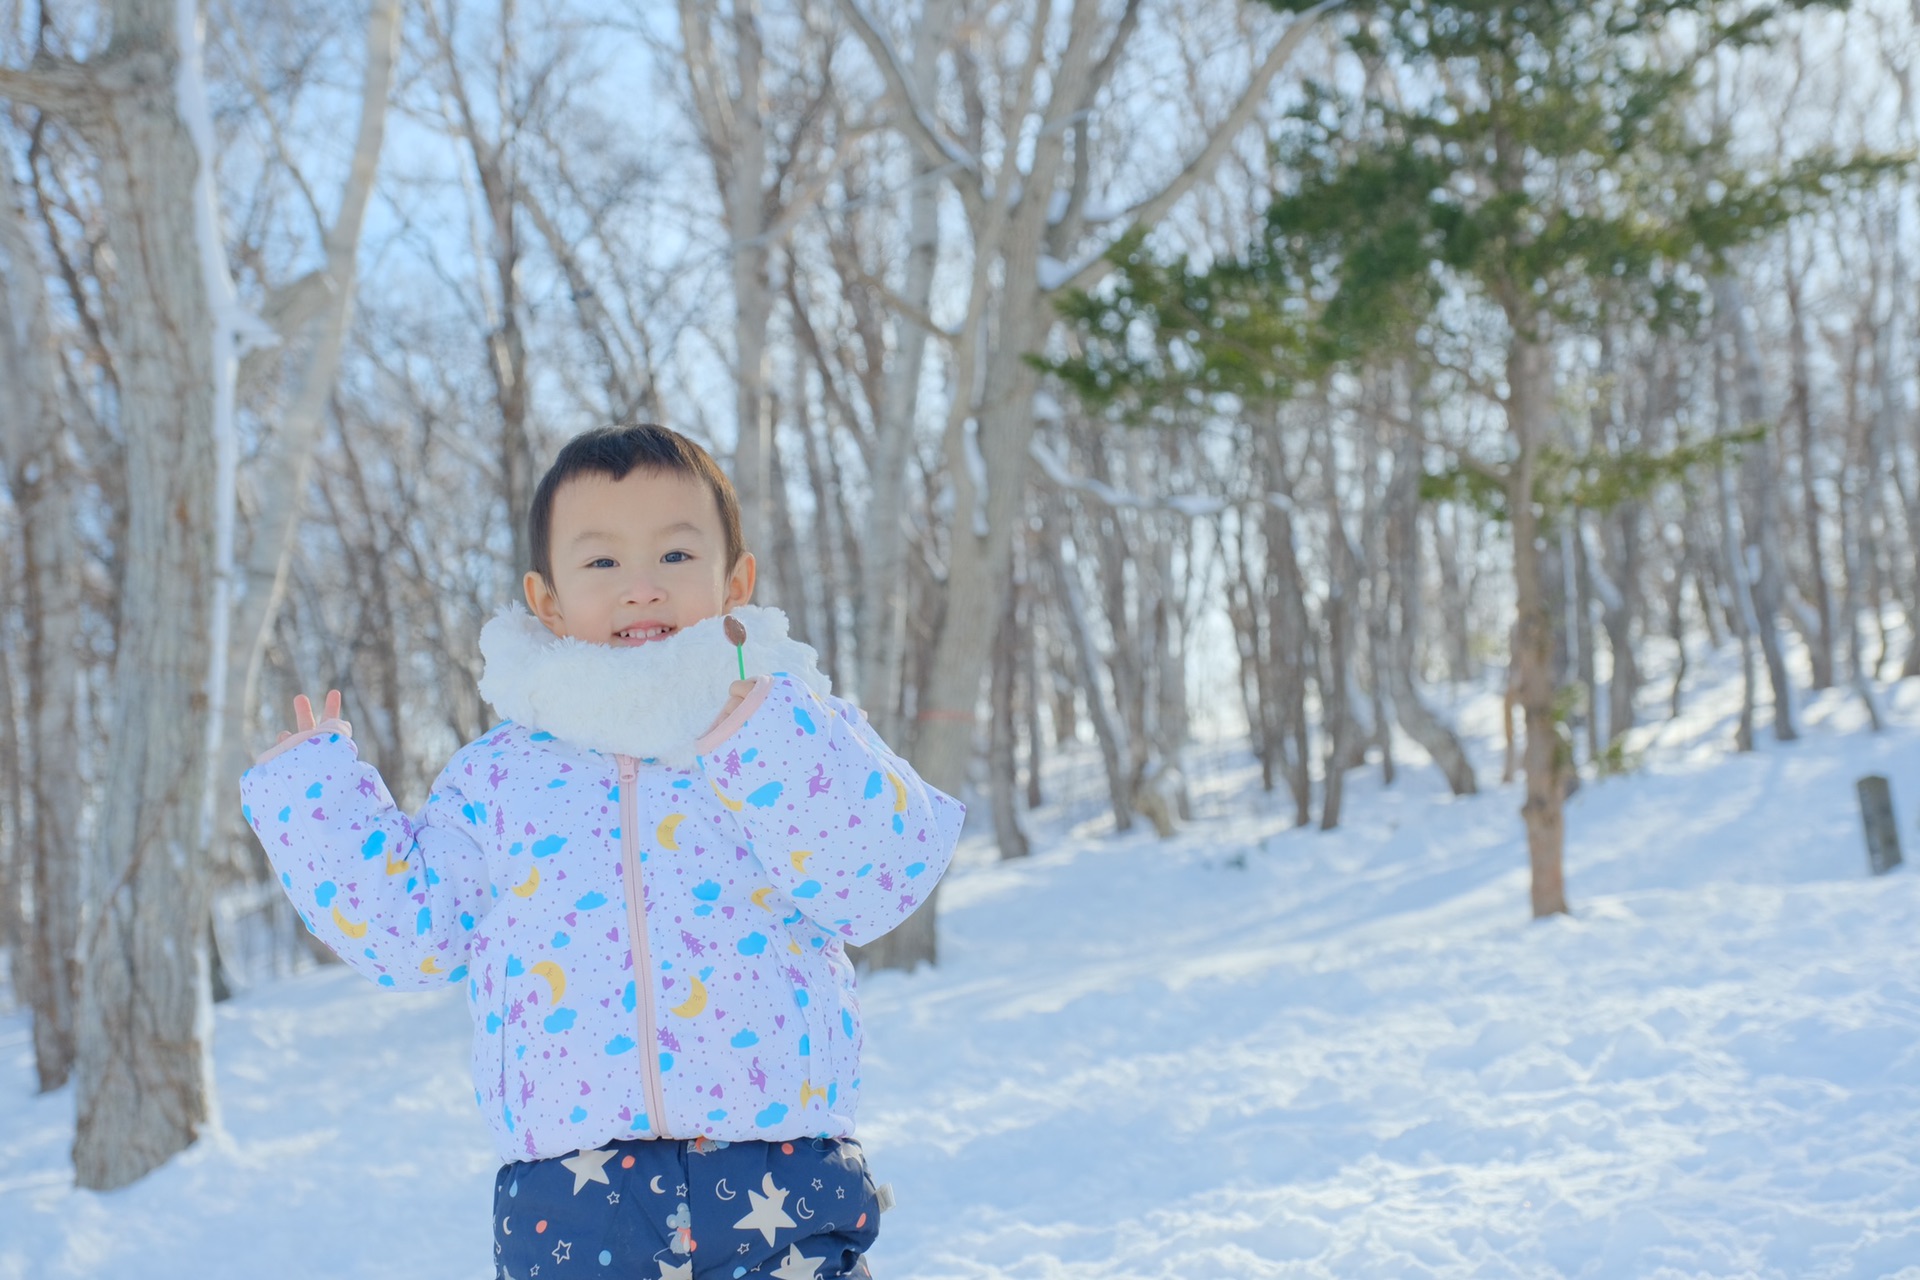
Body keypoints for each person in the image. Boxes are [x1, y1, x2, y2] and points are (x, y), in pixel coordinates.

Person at [240, 424, 966, 1280]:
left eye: (674, 555)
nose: (641, 589)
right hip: (573, 1203)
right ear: (546, 602)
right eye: (602, 564)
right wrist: (313, 803)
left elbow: (878, 881)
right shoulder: (500, 776)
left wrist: (766, 733)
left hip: (780, 1172)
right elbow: (414, 934)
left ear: (735, 582)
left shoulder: (788, 729)